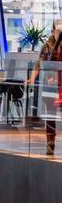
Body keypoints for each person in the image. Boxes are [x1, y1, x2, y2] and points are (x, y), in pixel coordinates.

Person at [34, 20, 62, 154]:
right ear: (53, 31)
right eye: (58, 31)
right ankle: (50, 143)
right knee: (51, 115)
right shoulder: (48, 46)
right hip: (51, 87)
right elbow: (40, 63)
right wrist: (32, 78)